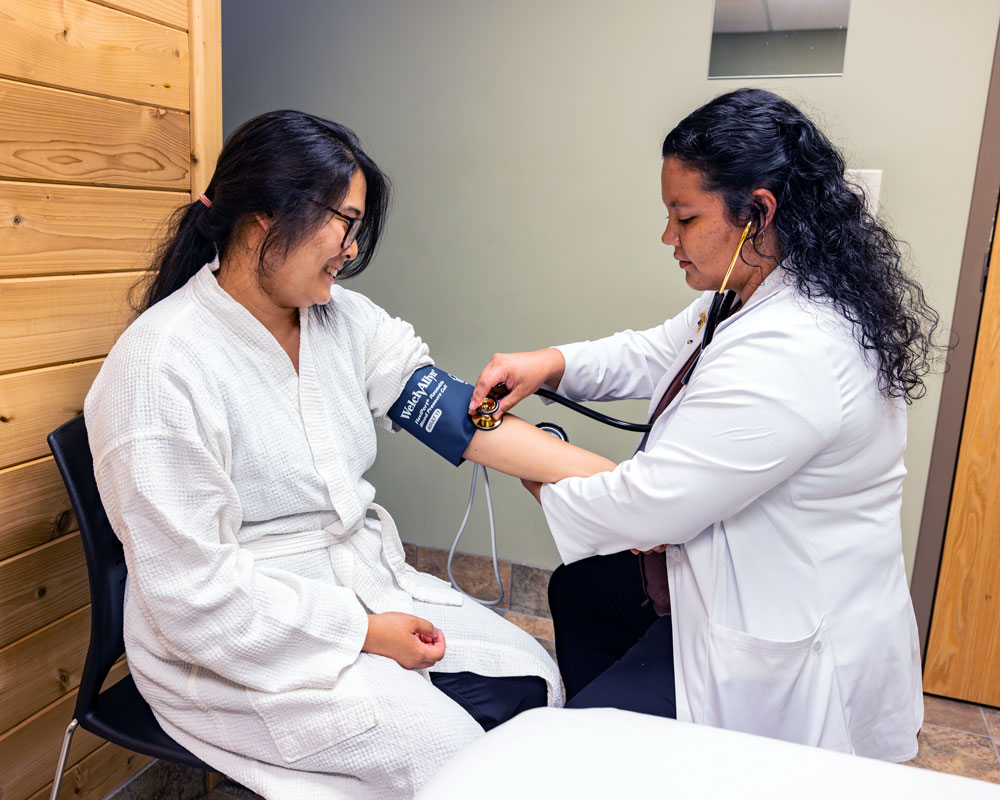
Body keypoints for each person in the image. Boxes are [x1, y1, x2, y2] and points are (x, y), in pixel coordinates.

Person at [84, 110, 615, 800]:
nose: (351, 251)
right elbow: (194, 600)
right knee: (448, 757)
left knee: (529, 672)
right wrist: (364, 632)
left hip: (358, 579)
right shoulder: (159, 368)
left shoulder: (345, 320)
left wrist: (631, 487)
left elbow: (455, 416)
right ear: (264, 212)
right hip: (234, 640)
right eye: (345, 223)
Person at [469, 88, 938, 761]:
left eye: (684, 218)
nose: (669, 238)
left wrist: (517, 453)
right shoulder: (761, 289)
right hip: (728, 581)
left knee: (572, 757)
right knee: (584, 590)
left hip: (786, 644)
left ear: (758, 212)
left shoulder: (798, 348)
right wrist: (550, 364)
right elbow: (658, 352)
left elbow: (646, 508)